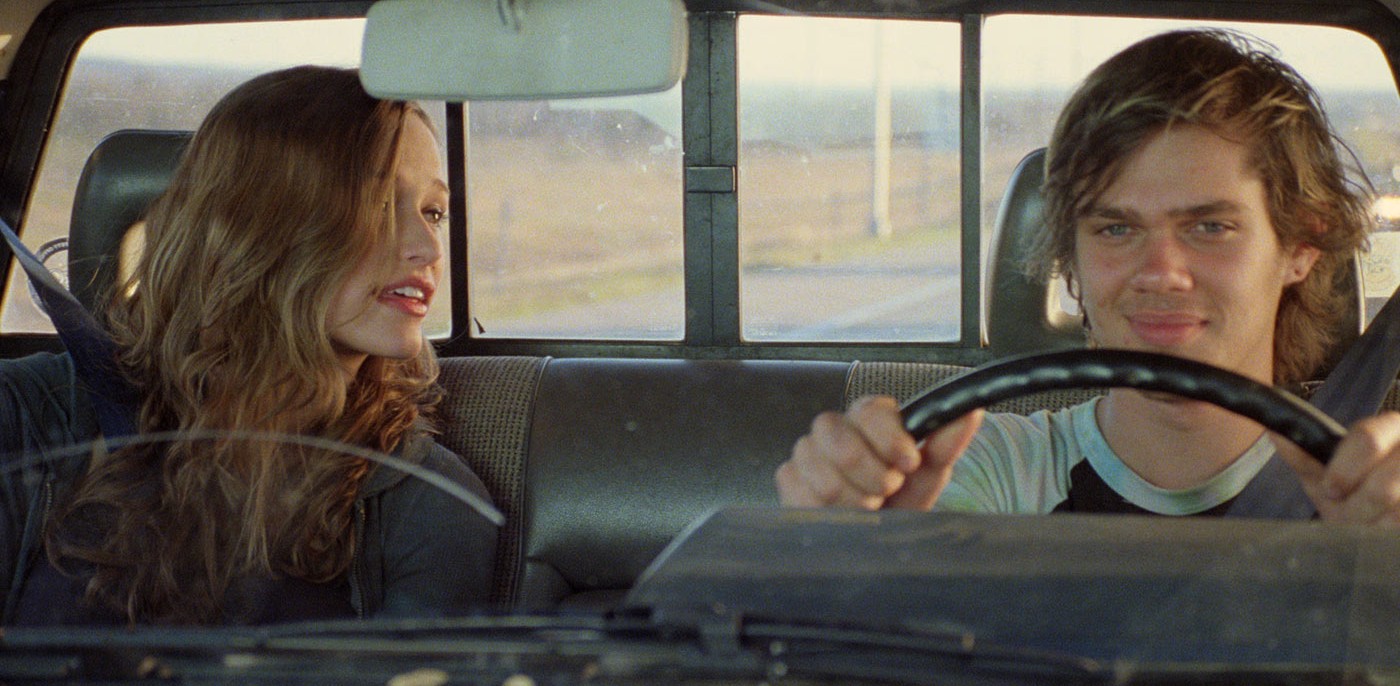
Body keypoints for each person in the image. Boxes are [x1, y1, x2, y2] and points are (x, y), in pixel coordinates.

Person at [776, 28, 1400, 525]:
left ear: (1301, 246)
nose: (1161, 273)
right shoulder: (982, 467)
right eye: (1116, 229)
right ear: (1070, 256)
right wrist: (856, 551)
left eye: (1210, 227)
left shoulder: (1369, 491)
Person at [0, 65, 498, 625]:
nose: (429, 248)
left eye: (434, 212)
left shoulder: (428, 502)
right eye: (378, 202)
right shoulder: (33, 417)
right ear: (261, 222)